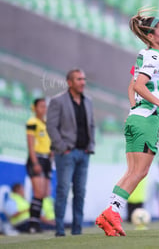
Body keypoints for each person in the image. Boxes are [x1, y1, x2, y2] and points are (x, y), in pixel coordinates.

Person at [95, 8, 159, 236]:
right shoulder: (154, 56)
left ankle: (110, 214)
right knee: (139, 172)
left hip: (136, 118)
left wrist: (134, 109)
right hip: (147, 120)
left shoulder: (144, 55)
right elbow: (139, 85)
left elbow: (132, 86)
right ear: (151, 36)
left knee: (132, 172)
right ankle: (113, 212)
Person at [47, 69, 95, 237]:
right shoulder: (57, 101)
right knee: (63, 190)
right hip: (66, 154)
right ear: (69, 82)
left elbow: (92, 126)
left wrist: (91, 146)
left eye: (83, 79)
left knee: (80, 192)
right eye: (78, 79)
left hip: (84, 153)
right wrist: (62, 147)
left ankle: (77, 230)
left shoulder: (88, 101)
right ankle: (59, 229)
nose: (83, 82)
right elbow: (51, 127)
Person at [25, 98, 53, 233]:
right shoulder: (32, 122)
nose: (44, 109)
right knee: (38, 192)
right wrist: (34, 161)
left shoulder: (47, 123)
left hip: (47, 159)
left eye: (45, 106)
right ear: (35, 108)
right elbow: (30, 144)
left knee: (44, 193)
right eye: (41, 106)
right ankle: (32, 224)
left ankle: (36, 223)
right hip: (37, 158)